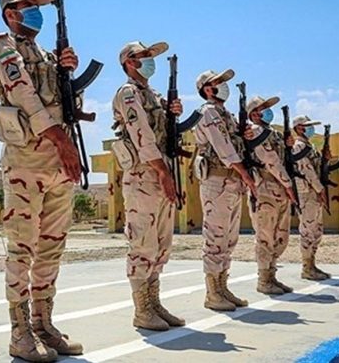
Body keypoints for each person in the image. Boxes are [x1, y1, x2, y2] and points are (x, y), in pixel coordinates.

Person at [0, 0, 83, 362]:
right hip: (26, 162)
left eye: (36, 6)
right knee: (22, 249)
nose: (35, 12)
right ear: (10, 14)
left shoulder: (49, 56)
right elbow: (23, 94)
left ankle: (43, 324)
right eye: (27, 6)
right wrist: (63, 143)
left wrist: (68, 74)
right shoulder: (2, 48)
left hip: (59, 165)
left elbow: (69, 107)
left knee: (51, 248)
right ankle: (20, 332)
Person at [111, 41, 185, 331]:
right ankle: (142, 310)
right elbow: (141, 134)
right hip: (144, 174)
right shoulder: (127, 93)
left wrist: (174, 113)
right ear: (129, 62)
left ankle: (154, 303)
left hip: (162, 170)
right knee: (143, 243)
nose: (150, 60)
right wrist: (163, 173)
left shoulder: (153, 96)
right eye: (145, 56)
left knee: (161, 243)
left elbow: (165, 131)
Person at [192, 70, 258, 310]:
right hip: (217, 181)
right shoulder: (208, 111)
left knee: (229, 238)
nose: (223, 85)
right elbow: (224, 148)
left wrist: (245, 134)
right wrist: (246, 176)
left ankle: (222, 287)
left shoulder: (225, 114)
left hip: (231, 182)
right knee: (216, 237)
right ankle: (212, 293)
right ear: (207, 89)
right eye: (217, 82)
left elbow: (235, 144)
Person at [244, 96, 298, 294]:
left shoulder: (272, 132)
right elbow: (270, 160)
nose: (267, 110)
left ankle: (272, 276)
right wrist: (288, 185)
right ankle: (264, 280)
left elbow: (284, 159)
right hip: (265, 188)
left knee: (280, 235)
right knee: (265, 235)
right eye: (263, 108)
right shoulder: (255, 131)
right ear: (253, 114)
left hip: (279, 188)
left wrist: (289, 145)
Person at [292, 115, 332, 280]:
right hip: (306, 192)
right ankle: (307, 267)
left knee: (316, 230)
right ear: (298, 128)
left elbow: (317, 168)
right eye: (307, 126)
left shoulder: (309, 146)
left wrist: (326, 159)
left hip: (314, 191)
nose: (310, 129)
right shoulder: (298, 147)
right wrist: (320, 189)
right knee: (308, 230)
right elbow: (307, 170)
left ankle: (312, 264)